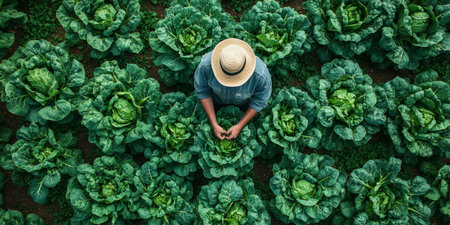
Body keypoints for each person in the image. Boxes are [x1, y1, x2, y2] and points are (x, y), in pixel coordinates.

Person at [194, 38, 272, 140]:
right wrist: (214, 123)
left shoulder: (260, 76)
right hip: (215, 101)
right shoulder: (206, 66)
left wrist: (239, 126)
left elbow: (259, 101)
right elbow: (203, 92)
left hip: (244, 105)